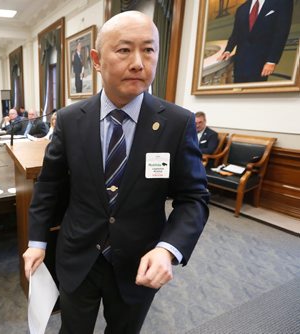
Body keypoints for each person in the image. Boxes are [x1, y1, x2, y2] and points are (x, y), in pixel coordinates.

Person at [23, 11, 209, 333]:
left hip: (139, 262)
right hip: (78, 254)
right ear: (96, 59)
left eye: (148, 50)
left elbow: (193, 198)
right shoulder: (69, 120)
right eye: (124, 50)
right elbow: (50, 185)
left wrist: (168, 249)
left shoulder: (177, 124)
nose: (138, 62)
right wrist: (37, 241)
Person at [217, 0, 293, 83]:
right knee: (239, 93)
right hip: (240, 62)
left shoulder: (282, 3)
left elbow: (281, 34)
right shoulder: (242, 8)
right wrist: (228, 50)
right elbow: (236, 34)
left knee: (257, 94)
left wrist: (272, 61)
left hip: (261, 62)